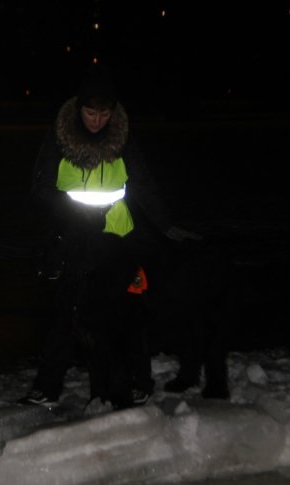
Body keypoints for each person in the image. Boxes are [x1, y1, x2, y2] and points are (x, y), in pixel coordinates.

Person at [19, 67, 202, 410]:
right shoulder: (58, 138)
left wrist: (165, 226)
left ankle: (137, 383)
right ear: (78, 109)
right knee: (66, 314)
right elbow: (39, 190)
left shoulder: (122, 138)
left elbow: (143, 183)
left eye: (104, 113)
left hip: (118, 241)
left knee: (127, 316)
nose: (97, 120)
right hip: (73, 241)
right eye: (90, 112)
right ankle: (47, 388)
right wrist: (72, 215)